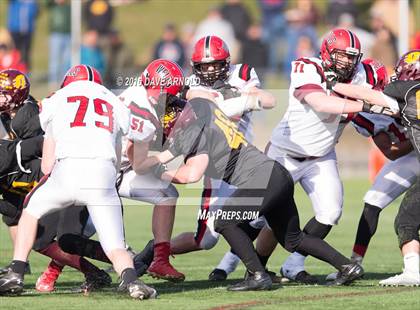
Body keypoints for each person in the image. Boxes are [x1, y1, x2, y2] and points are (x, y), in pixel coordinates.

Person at [142, 94, 364, 291]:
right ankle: (348, 266)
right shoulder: (204, 110)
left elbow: (191, 175)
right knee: (293, 239)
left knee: (223, 221)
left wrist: (161, 175)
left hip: (262, 179)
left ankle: (258, 274)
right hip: (277, 174)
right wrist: (141, 164)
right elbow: (164, 155)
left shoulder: (195, 132)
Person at [0, 65, 156, 299]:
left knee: (30, 212)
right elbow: (143, 133)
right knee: (116, 246)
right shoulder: (113, 100)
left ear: (67, 83)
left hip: (67, 169)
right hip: (102, 174)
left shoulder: (59, 98)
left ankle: (17, 271)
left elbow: (46, 162)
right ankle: (132, 281)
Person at [251, 28, 388, 284]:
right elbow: (321, 103)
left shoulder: (362, 76)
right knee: (264, 217)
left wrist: (395, 106)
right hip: (285, 154)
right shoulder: (307, 67)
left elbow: (380, 96)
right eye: (342, 55)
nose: (348, 62)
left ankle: (293, 265)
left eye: (352, 57)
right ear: (326, 51)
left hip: (321, 156)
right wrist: (368, 105)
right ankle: (248, 266)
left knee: (330, 212)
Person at [329, 49, 420, 286]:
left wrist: (333, 84)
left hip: (413, 151)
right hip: (411, 156)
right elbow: (390, 152)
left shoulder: (402, 92)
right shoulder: (388, 101)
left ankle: (413, 271)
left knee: (408, 217)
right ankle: (355, 260)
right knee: (374, 200)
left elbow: (365, 94)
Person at [117, 59, 185, 282]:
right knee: (84, 228)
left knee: (167, 195)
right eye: (169, 95)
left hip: (114, 168)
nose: (170, 101)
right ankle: (54, 270)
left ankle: (160, 260)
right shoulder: (144, 111)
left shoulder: (136, 91)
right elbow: (136, 161)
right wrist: (168, 155)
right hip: (108, 172)